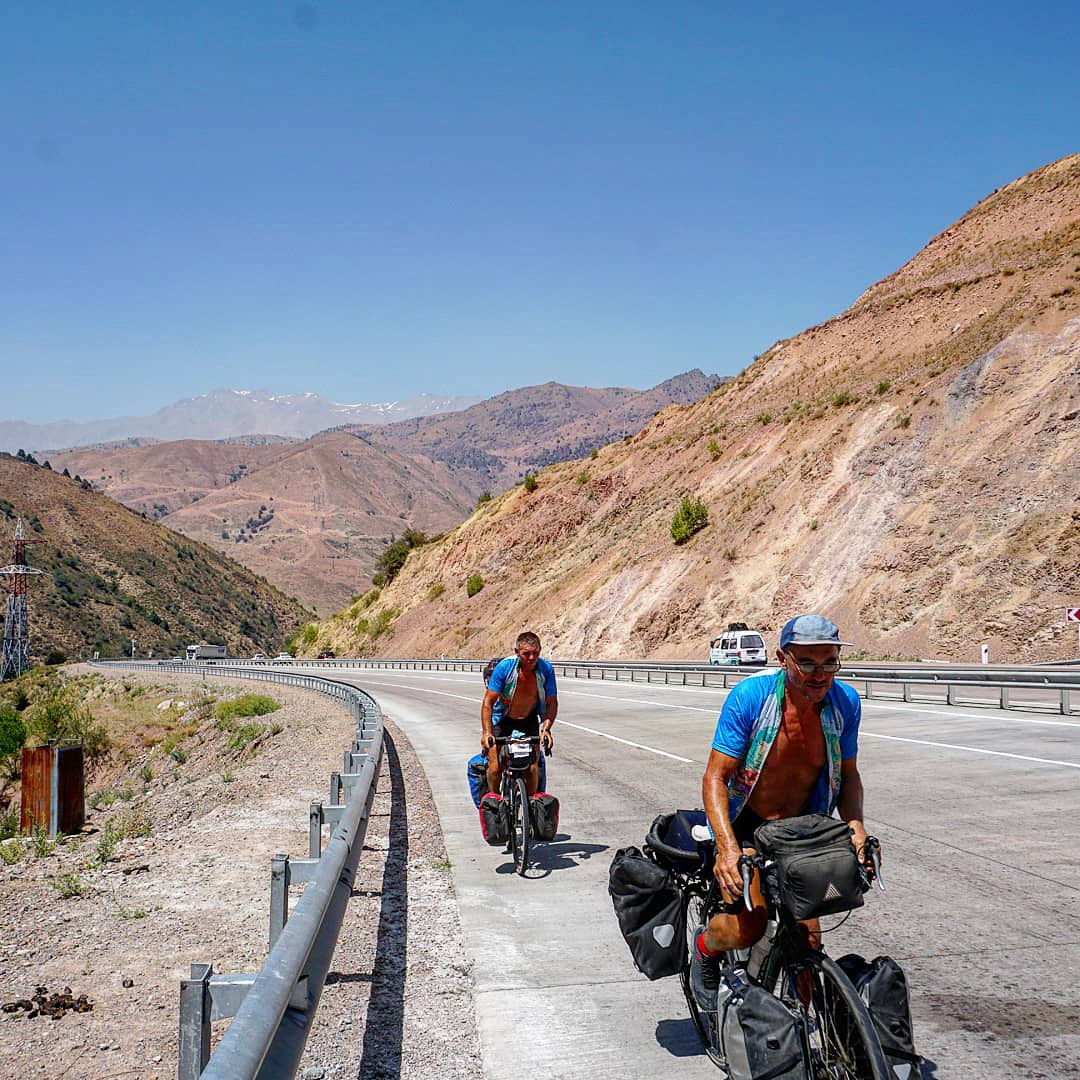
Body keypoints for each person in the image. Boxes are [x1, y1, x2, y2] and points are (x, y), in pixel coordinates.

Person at [690, 614, 873, 1011]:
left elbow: (850, 774)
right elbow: (715, 777)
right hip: (747, 824)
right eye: (807, 662)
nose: (819, 673)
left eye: (829, 662)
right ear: (782, 659)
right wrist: (726, 848)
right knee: (750, 926)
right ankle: (704, 949)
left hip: (802, 828)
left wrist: (855, 826)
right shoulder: (752, 698)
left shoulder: (845, 703)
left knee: (808, 937)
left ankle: (808, 1035)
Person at [481, 631, 557, 798]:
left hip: (528, 719)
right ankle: (495, 803)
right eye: (526, 653)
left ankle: (531, 804)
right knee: (495, 768)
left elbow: (551, 702)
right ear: (517, 652)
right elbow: (488, 702)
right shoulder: (505, 668)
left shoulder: (545, 669)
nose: (531, 658)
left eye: (535, 653)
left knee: (532, 768)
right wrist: (487, 732)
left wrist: (546, 729)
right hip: (502, 720)